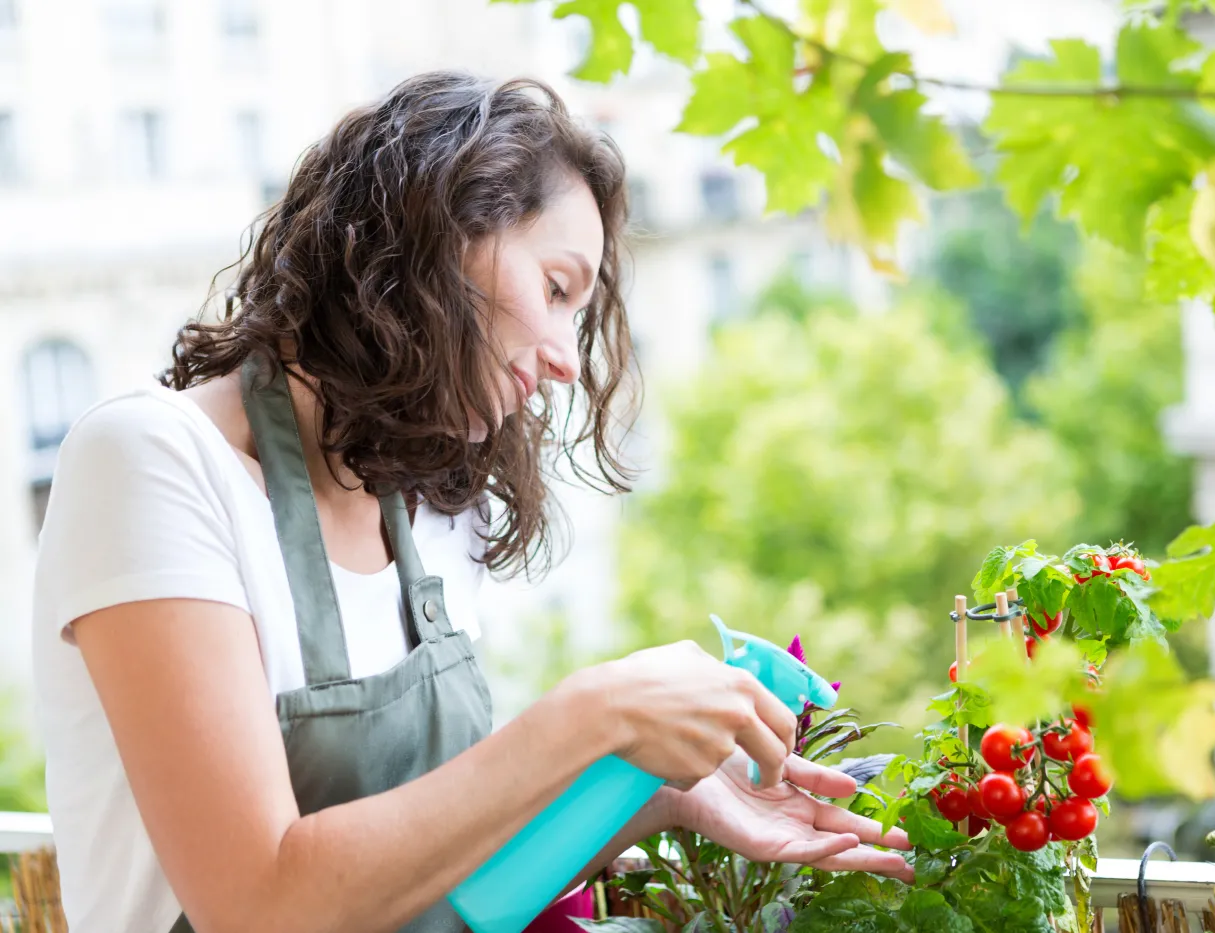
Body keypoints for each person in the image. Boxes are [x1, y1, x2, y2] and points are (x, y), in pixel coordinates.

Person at [30, 71, 912, 933]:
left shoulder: (437, 505)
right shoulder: (151, 462)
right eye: (558, 289)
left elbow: (453, 884)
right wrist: (588, 718)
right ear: (436, 241)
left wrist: (654, 793)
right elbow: (258, 902)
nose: (569, 357)